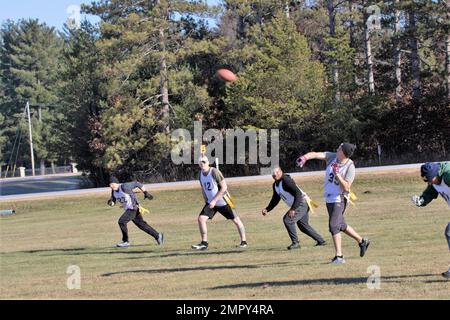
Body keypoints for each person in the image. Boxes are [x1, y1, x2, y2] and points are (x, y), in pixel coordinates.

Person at [296, 143, 370, 264]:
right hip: (329, 198)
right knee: (340, 225)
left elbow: (347, 187)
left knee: (333, 226)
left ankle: (339, 257)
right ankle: (362, 241)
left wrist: (337, 174)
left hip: (339, 198)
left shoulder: (350, 166)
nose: (337, 149)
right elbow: (316, 154)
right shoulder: (332, 157)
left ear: (344, 152)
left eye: (340, 148)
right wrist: (304, 158)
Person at [262, 166, 326, 250]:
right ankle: (321, 241)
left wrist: (293, 209)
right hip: (299, 204)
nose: (275, 175)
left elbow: (298, 194)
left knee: (287, 220)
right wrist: (267, 209)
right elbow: (275, 199)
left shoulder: (286, 180)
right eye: (273, 174)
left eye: (277, 172)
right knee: (303, 226)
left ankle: (295, 243)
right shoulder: (275, 185)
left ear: (281, 171)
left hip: (302, 202)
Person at [191, 156, 247, 250]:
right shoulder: (200, 174)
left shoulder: (214, 172)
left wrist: (214, 200)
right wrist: (207, 200)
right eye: (200, 162)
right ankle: (204, 243)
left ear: (208, 162)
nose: (202, 164)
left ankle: (244, 241)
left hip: (223, 201)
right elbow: (204, 189)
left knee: (236, 220)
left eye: (204, 162)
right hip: (211, 203)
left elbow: (224, 187)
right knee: (201, 219)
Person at [411, 162, 450, 279]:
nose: (428, 182)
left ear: (436, 174)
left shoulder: (448, 176)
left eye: (429, 179)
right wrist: (422, 200)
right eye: (425, 180)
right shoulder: (435, 181)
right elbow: (430, 192)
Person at [108, 177, 164, 248]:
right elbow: (113, 200)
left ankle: (125, 241)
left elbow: (137, 183)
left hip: (133, 208)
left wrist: (146, 192)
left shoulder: (125, 187)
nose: (111, 186)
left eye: (112, 184)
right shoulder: (113, 191)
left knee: (121, 221)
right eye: (109, 184)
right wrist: (111, 202)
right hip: (129, 209)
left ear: (117, 183)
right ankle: (158, 236)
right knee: (142, 225)